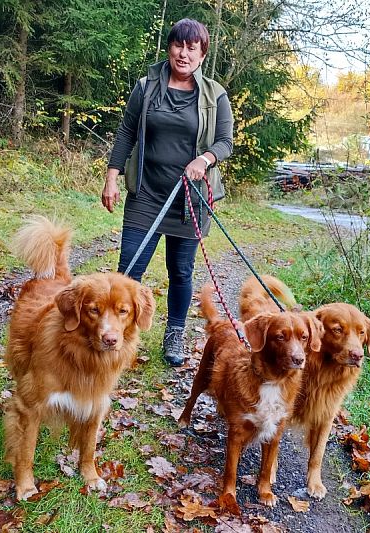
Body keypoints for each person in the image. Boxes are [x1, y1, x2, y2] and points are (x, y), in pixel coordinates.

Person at [102, 18, 233, 366]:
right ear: (169, 47)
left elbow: (225, 142)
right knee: (129, 270)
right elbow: (126, 132)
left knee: (181, 270)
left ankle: (174, 332)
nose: (184, 53)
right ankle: (119, 335)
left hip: (190, 200)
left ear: (203, 54)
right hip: (146, 193)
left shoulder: (215, 95)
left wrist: (204, 160)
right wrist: (112, 176)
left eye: (192, 48)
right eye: (179, 45)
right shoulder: (146, 87)